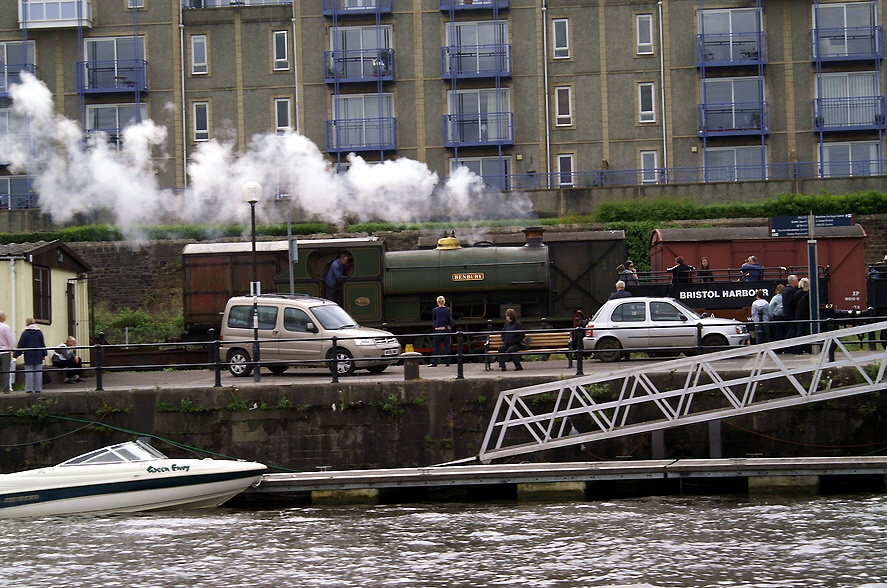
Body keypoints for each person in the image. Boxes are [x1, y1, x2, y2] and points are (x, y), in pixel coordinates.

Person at [13, 318, 46, 394]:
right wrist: (44, 353)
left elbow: (21, 344)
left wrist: (16, 354)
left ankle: (29, 389)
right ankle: (38, 388)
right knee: (38, 372)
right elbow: (42, 344)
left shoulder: (25, 333)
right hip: (38, 353)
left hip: (29, 354)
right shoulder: (39, 332)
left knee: (29, 372)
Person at [429, 296, 452, 367]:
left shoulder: (435, 310)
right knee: (447, 346)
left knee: (436, 346)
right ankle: (447, 362)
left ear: (437, 302)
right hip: (446, 329)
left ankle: (434, 362)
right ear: (444, 301)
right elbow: (449, 319)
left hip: (438, 330)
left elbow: (434, 318)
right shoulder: (448, 309)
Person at [794, 277, 812, 352]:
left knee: (800, 332)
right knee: (808, 332)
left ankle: (799, 349)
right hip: (808, 315)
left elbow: (794, 304)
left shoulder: (797, 293)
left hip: (799, 315)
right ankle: (808, 349)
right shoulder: (810, 294)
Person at [781, 275, 800, 341]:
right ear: (793, 281)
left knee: (789, 330)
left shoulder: (785, 290)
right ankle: (787, 346)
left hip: (787, 313)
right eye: (797, 280)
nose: (798, 281)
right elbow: (790, 302)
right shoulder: (791, 291)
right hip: (792, 314)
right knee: (791, 331)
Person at [0, 312, 15, 394]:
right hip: (5, 351)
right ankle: (5, 388)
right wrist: (13, 350)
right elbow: (10, 340)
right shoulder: (5, 327)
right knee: (5, 371)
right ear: (2, 318)